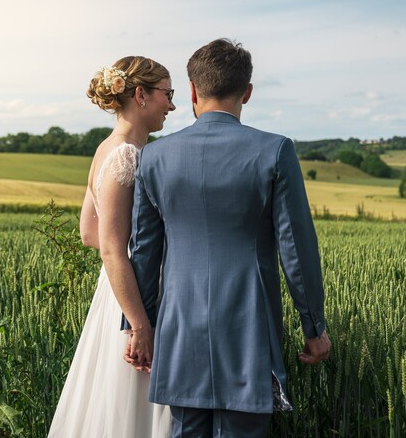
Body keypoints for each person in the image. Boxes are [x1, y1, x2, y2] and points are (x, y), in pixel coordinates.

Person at [125, 39, 332, 437]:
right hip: (249, 329)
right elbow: (297, 250)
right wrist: (313, 327)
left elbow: (144, 253)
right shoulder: (275, 151)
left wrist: (138, 328)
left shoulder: (154, 156)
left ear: (191, 90)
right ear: (248, 92)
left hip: (179, 330)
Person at [47, 56, 175, 437]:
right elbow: (111, 248)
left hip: (113, 293)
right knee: (137, 403)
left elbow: (89, 232)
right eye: (167, 95)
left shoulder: (106, 148)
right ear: (140, 95)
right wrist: (139, 324)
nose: (171, 105)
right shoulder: (128, 155)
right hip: (134, 297)